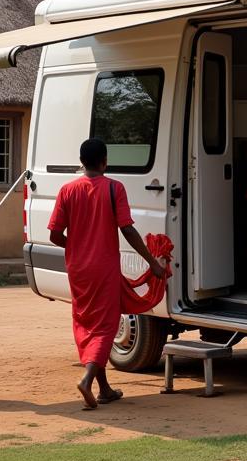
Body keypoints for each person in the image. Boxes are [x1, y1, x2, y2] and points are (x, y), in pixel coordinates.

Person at [48, 138, 166, 410]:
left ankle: (104, 389)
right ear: (105, 161)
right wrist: (153, 263)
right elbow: (127, 229)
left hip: (77, 269)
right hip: (103, 268)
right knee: (105, 325)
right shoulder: (114, 188)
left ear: (82, 161)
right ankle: (87, 379)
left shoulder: (67, 190)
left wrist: (77, 246)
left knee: (86, 322)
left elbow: (55, 235)